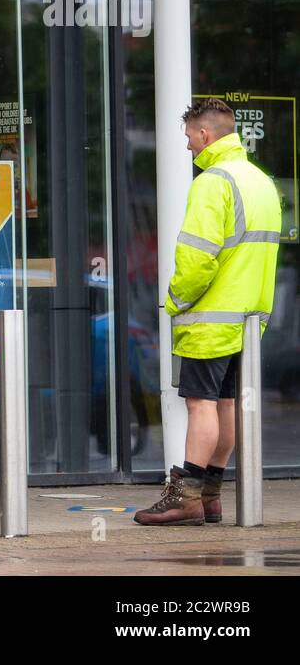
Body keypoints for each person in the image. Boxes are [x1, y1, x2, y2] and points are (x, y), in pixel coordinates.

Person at [135, 98, 281, 526]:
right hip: (249, 320)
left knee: (201, 405)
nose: (187, 148)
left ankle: (186, 498)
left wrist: (176, 300)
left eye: (188, 138)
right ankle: (211, 495)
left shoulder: (213, 182)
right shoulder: (260, 182)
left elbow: (198, 259)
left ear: (205, 134)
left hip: (210, 319)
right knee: (227, 405)